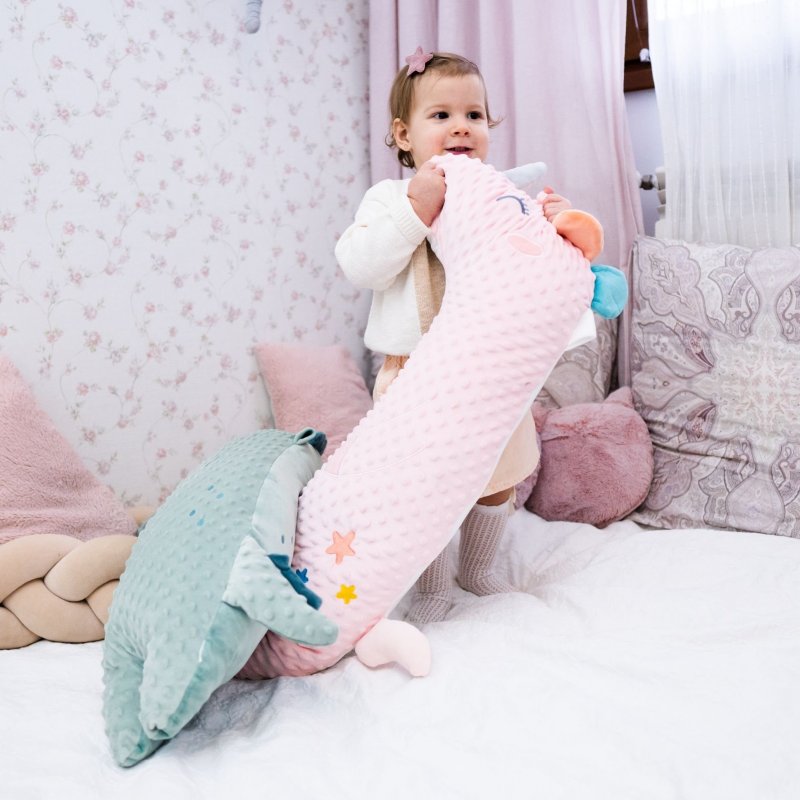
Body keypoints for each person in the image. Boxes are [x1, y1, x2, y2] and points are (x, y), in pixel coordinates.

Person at [335, 49, 585, 624]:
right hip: (414, 375)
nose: (461, 127)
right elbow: (361, 265)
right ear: (404, 135)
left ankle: (476, 568)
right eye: (441, 115)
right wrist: (415, 211)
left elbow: (532, 272)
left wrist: (556, 227)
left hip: (489, 371)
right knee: (422, 487)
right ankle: (431, 584)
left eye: (474, 115)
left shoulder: (502, 197)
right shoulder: (389, 198)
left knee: (497, 475)